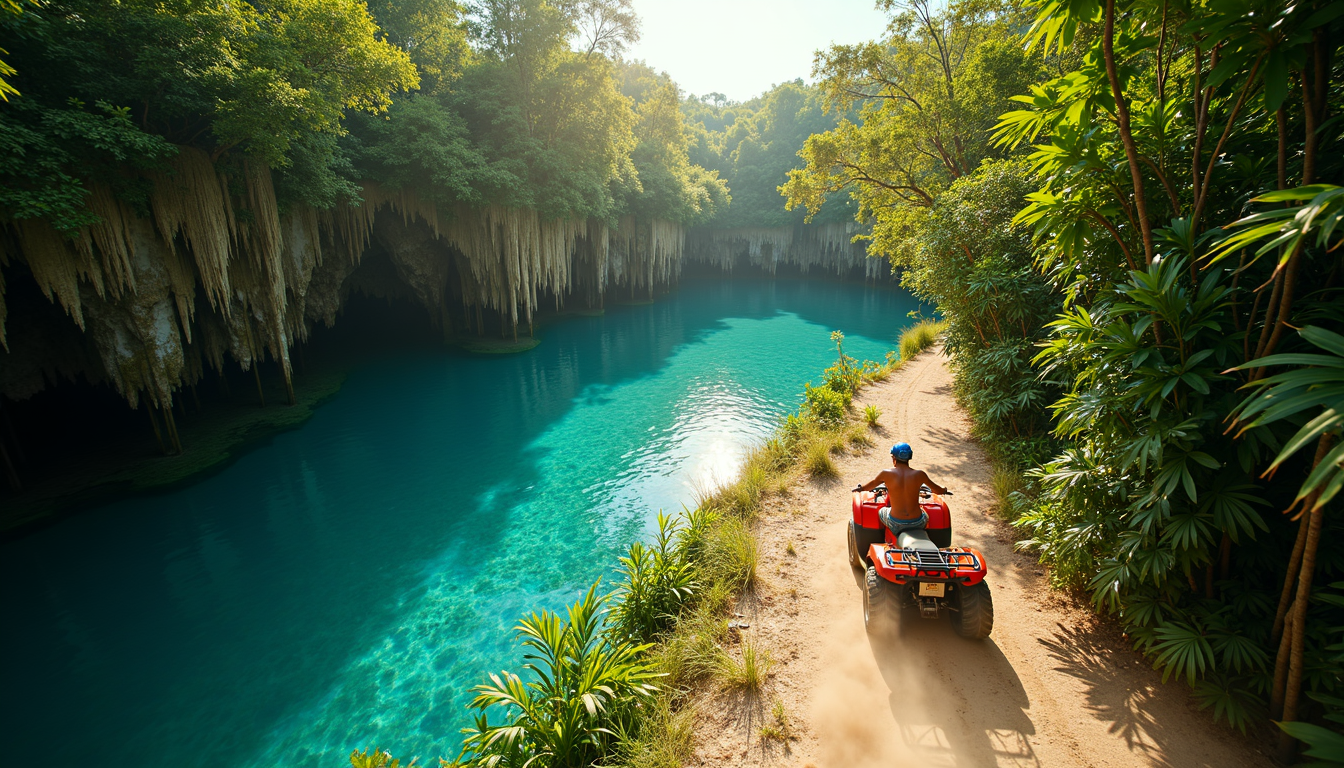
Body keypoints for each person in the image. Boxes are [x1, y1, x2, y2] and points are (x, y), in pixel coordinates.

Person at [852, 442, 949, 536]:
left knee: (881, 511)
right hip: (917, 522)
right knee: (924, 513)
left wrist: (861, 488)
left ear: (894, 458)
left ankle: (883, 539)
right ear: (909, 457)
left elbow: (871, 485)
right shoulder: (920, 474)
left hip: (896, 523)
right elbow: (938, 490)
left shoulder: (886, 474)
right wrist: (944, 490)